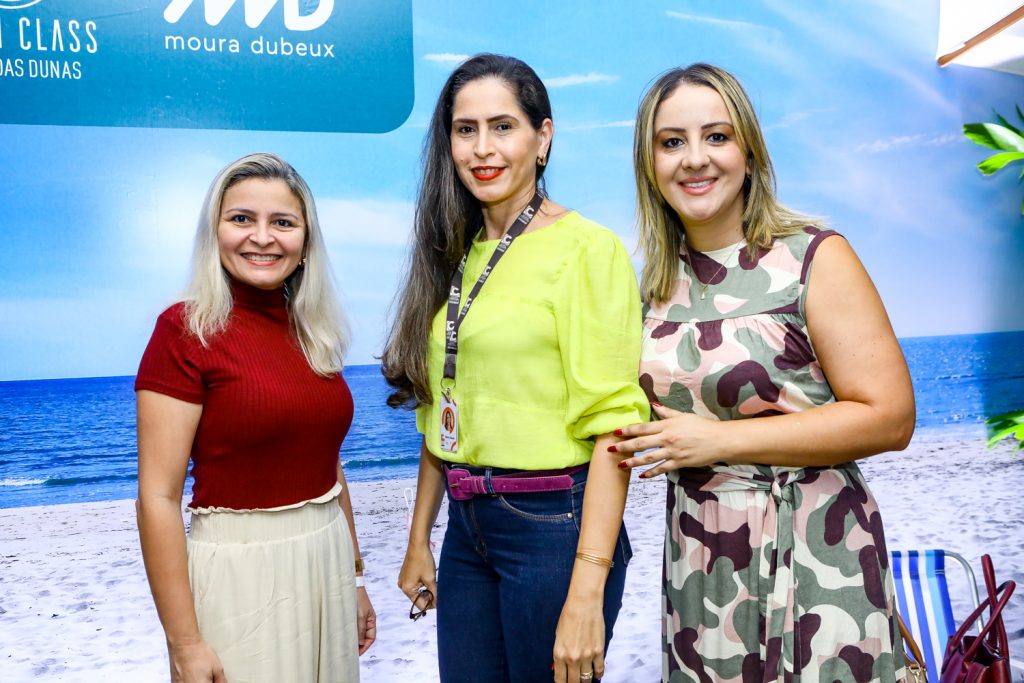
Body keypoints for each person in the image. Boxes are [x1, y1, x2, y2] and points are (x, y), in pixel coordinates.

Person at [615, 64, 916, 682]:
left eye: (716, 137)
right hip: (702, 567)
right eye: (672, 142)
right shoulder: (644, 287)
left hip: (815, 555)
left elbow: (890, 417)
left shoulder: (813, 255)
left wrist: (719, 440)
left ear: (749, 151)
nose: (694, 159)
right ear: (650, 164)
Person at [381, 53, 649, 683]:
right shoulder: (452, 253)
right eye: (464, 129)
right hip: (466, 527)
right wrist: (421, 537)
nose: (482, 148)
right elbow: (438, 411)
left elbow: (615, 428)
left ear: (543, 136)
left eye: (503, 126)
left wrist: (587, 588)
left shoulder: (587, 248)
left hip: (553, 528)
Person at [135, 153, 375, 682]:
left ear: (306, 243)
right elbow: (157, 497)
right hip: (238, 573)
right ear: (214, 231)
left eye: (283, 223)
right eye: (241, 218)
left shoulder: (314, 332)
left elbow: (328, 467)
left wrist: (355, 576)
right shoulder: (183, 330)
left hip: (327, 557)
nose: (262, 237)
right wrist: (184, 641)